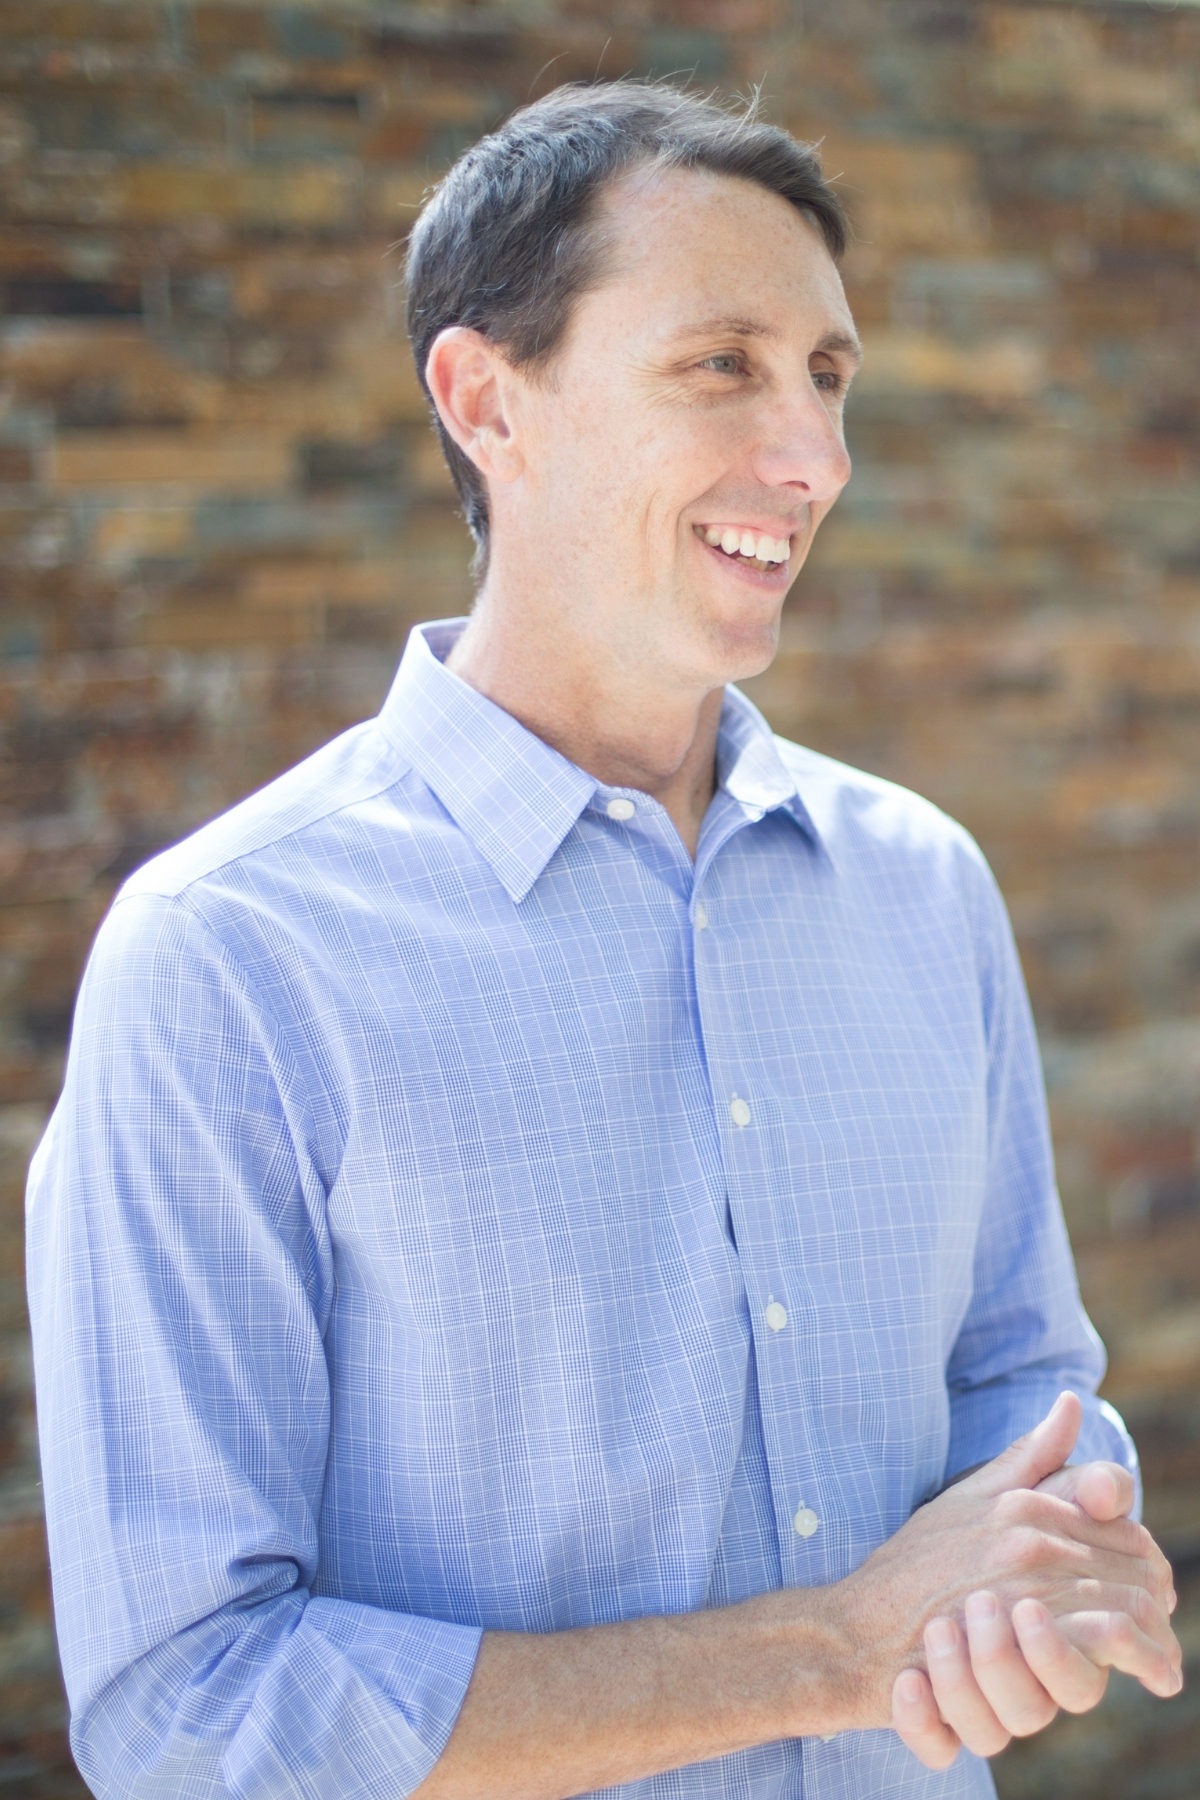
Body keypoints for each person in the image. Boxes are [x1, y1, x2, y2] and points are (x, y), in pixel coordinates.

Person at [27, 80, 1181, 1800]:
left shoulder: (924, 884)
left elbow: (1022, 1388)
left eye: (827, 374)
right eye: (722, 363)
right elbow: (188, 1714)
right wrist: (835, 1651)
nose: (813, 457)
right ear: (489, 400)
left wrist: (1068, 1543)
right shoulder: (227, 962)